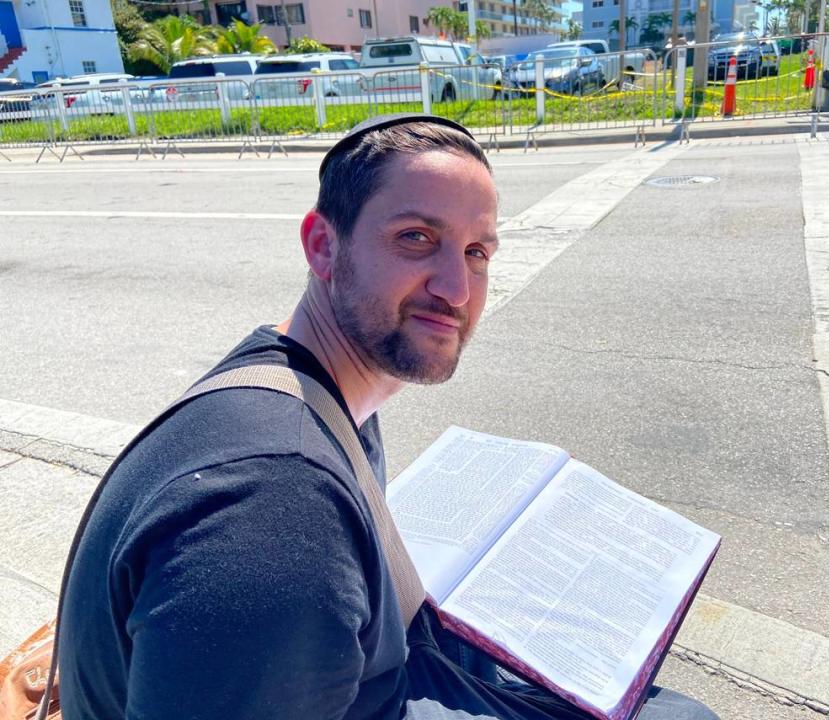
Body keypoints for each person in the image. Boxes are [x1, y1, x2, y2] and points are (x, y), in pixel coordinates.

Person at [57, 114, 718, 720]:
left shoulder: (309, 387)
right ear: (322, 245)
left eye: (476, 252)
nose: (455, 289)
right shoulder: (273, 510)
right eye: (415, 238)